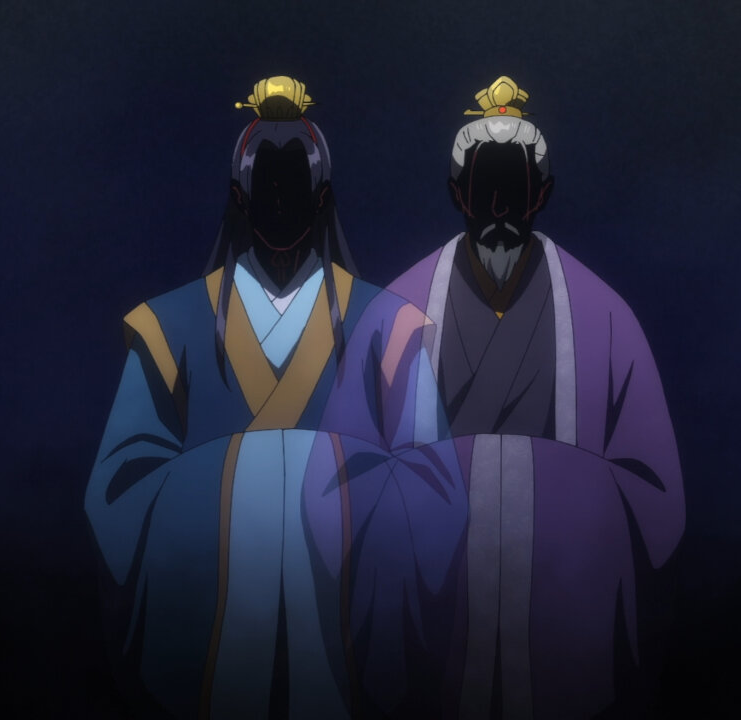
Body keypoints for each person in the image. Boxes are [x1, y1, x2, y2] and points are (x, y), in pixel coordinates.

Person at [84, 76, 464, 720]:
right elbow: (120, 489)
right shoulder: (169, 330)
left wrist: (315, 495)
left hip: (345, 638)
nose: (281, 201)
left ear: (323, 197)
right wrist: (262, 482)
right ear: (239, 196)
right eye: (267, 184)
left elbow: (437, 491)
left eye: (295, 184)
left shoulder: (387, 329)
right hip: (213, 638)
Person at [385, 76, 687, 719]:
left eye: (515, 190)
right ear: (456, 193)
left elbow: (655, 495)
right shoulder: (397, 313)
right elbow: (345, 472)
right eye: (483, 190)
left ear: (542, 194)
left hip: (564, 604)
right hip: (435, 605)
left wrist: (563, 508)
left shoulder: (604, 315)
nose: (499, 209)